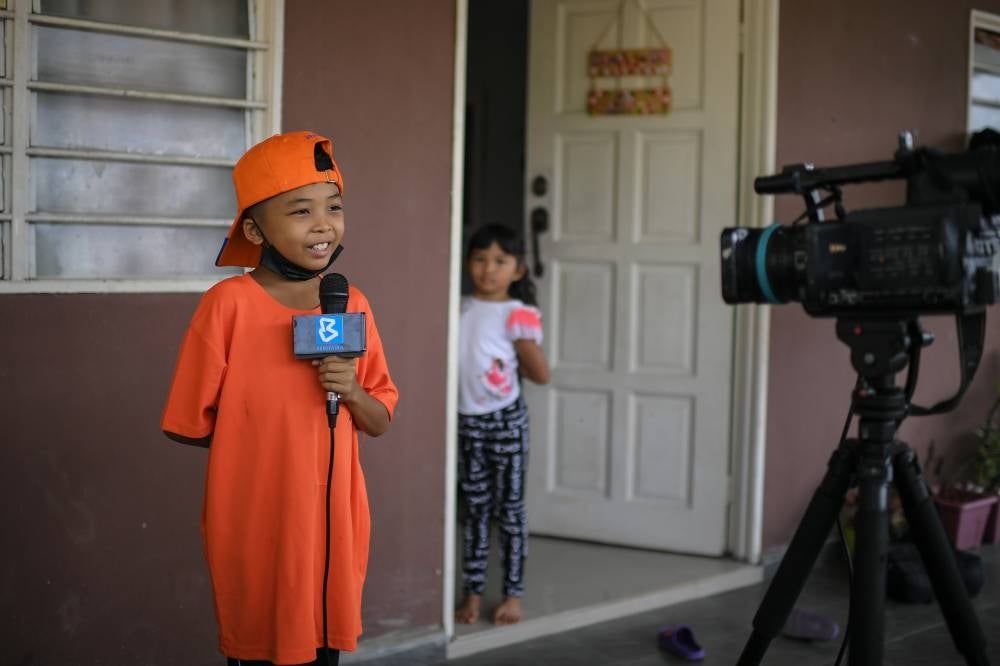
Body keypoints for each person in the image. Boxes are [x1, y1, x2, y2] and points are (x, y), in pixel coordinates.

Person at [161, 131, 398, 665]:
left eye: (333, 207)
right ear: (254, 229)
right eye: (300, 211)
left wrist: (350, 389)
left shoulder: (350, 303)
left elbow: (379, 418)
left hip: (333, 524)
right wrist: (264, 442)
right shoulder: (228, 305)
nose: (323, 224)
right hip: (258, 518)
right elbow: (186, 422)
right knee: (260, 645)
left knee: (323, 646)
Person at [455, 224, 550, 626]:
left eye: (499, 261)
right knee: (475, 511)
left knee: (509, 511)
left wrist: (515, 351)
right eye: (480, 259)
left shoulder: (517, 314)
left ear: (518, 270)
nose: (488, 269)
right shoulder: (459, 307)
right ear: (467, 263)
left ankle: (513, 595)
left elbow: (540, 374)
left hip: (505, 421)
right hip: (467, 423)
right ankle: (473, 594)